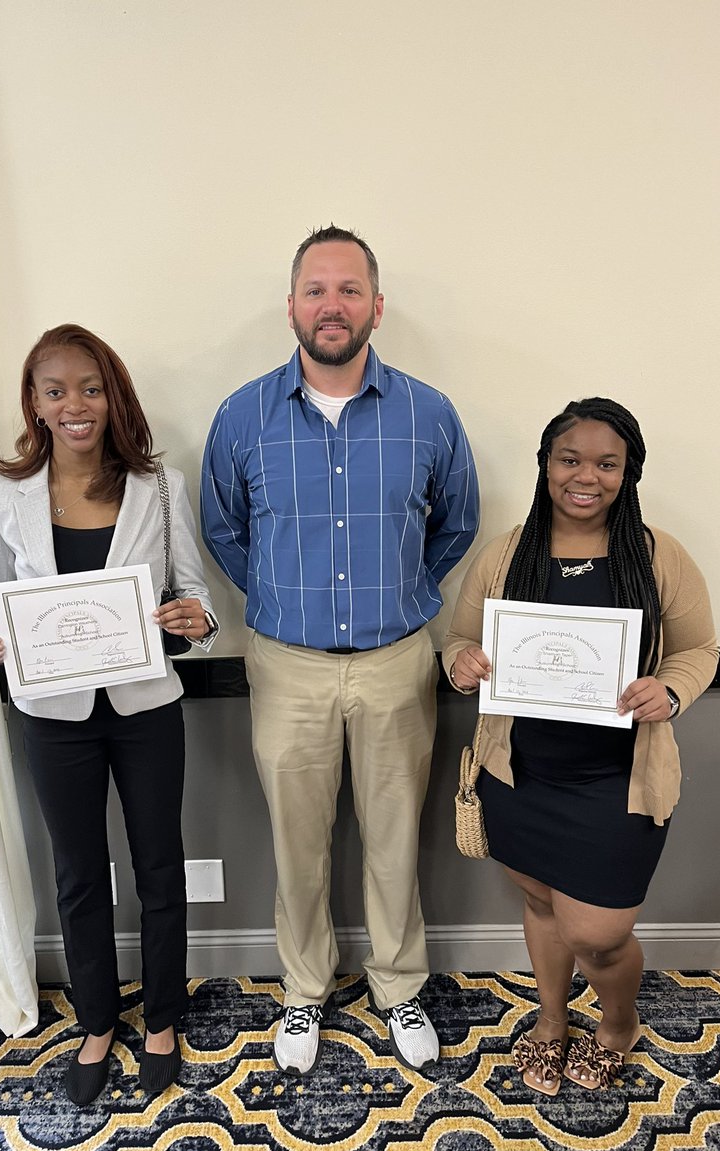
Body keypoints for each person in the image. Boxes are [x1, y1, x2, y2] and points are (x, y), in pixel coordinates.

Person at [201, 226, 479, 1075]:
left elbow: (457, 520)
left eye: (350, 290)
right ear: (291, 306)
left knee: (396, 836)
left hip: (398, 659)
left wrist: (409, 599)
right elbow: (223, 529)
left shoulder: (428, 412)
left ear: (376, 307)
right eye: (316, 290)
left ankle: (398, 990)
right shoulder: (243, 415)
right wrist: (285, 601)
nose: (333, 306)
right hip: (285, 664)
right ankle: (303, 994)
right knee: (300, 840)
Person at [0, 324, 217, 1106]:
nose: (76, 404)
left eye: (91, 388)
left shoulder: (160, 486)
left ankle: (162, 1017)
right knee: (76, 876)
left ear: (114, 396)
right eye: (56, 389)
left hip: (146, 707)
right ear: (33, 402)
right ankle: (98, 1021)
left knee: (159, 865)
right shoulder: (1, 494)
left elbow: (194, 593)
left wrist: (194, 620)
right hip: (52, 713)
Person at [443, 397, 718, 1095]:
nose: (585, 476)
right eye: (570, 459)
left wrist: (672, 691)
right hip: (520, 777)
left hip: (616, 783)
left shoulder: (657, 554)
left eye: (606, 463)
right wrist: (462, 663)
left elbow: (699, 649)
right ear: (546, 466)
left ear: (628, 473)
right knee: (541, 906)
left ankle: (618, 1021)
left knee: (598, 933)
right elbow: (458, 641)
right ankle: (552, 1021)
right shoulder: (507, 552)